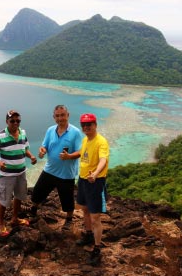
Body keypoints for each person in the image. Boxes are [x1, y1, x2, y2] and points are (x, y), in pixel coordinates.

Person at [30, 105, 83, 230]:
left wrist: (69, 156)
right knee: (37, 192)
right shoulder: (50, 130)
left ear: (68, 115)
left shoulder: (75, 132)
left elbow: (80, 151)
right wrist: (42, 151)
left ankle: (69, 219)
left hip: (66, 173)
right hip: (50, 169)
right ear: (54, 117)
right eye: (57, 116)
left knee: (67, 199)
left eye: (63, 115)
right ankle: (33, 210)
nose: (60, 118)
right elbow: (44, 146)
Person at [0, 110, 37, 237]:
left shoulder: (23, 133)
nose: (15, 123)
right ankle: (1, 224)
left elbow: (25, 149)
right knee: (4, 200)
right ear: (7, 121)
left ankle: (14, 219)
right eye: (12, 121)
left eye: (18, 121)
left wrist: (31, 156)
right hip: (6, 175)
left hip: (21, 172)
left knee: (19, 197)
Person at [76, 113, 110, 266]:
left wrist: (95, 173)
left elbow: (103, 159)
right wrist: (69, 156)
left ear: (95, 125)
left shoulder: (101, 142)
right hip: (83, 180)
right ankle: (88, 234)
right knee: (84, 209)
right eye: (83, 124)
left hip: (95, 182)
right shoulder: (85, 140)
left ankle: (97, 248)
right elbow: (83, 155)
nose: (86, 127)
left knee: (95, 217)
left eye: (89, 124)